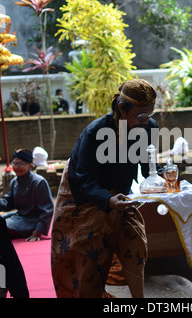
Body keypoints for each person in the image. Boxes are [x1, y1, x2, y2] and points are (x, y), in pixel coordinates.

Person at [51, 78, 158, 298]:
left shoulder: (149, 127)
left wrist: (166, 179)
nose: (146, 120)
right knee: (85, 252)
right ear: (121, 108)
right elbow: (84, 178)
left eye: (150, 113)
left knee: (134, 241)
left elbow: (149, 169)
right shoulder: (96, 132)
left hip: (119, 192)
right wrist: (108, 200)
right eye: (140, 115)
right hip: (81, 192)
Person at [0, 148, 54, 242]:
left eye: (20, 163)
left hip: (33, 220)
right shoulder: (14, 181)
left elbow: (48, 209)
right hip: (19, 217)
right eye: (14, 163)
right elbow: (9, 202)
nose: (16, 167)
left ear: (30, 166)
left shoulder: (38, 182)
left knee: (1, 227)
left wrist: (38, 230)